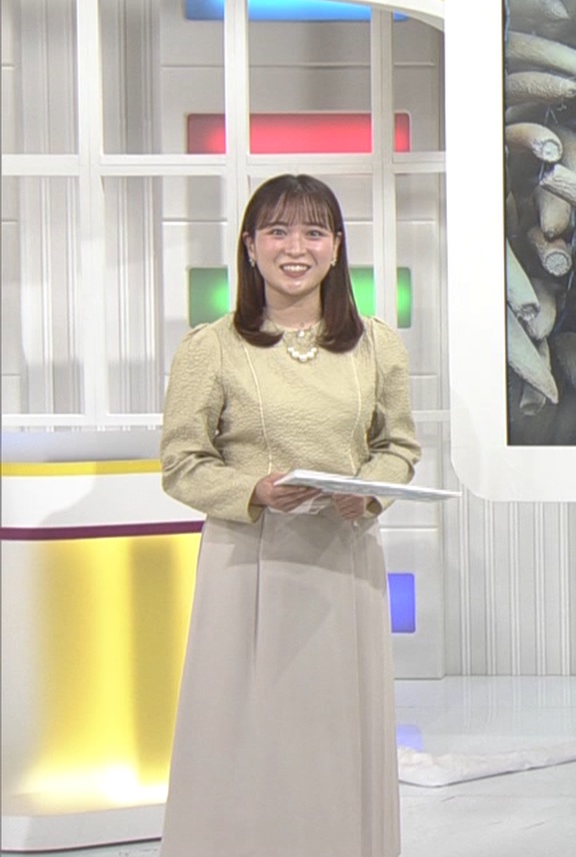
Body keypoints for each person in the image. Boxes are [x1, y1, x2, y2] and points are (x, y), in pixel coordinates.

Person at [158, 174, 419, 857]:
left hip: (344, 562)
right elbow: (181, 463)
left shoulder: (377, 346)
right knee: (244, 734)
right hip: (247, 563)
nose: (295, 248)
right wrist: (253, 490)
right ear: (250, 247)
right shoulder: (211, 347)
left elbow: (399, 449)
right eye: (277, 231)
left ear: (337, 247)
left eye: (313, 232)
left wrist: (369, 491)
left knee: (333, 734)